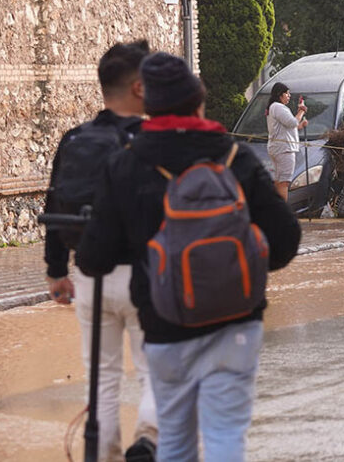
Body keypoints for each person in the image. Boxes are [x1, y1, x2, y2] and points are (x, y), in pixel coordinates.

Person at [77, 53, 301, 461]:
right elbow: (286, 239)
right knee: (225, 437)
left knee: (175, 443)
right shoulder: (236, 159)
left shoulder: (125, 164)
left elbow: (95, 257)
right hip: (236, 324)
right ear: (198, 102)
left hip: (164, 326)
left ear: (150, 107)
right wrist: (237, 267)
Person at [43, 40, 158, 461]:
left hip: (90, 277)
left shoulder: (75, 139)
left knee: (103, 382)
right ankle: (147, 443)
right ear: (140, 88)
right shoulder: (154, 143)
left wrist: (57, 271)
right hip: (147, 277)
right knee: (155, 375)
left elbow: (54, 204)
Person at [266, 82, 307, 200]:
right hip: (284, 149)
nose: (289, 96)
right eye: (287, 93)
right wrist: (301, 111)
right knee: (284, 182)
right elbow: (293, 122)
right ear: (280, 94)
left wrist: (300, 126)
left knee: (278, 182)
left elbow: (288, 127)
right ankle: (282, 213)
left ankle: (276, 211)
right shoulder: (278, 107)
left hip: (278, 147)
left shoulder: (274, 107)